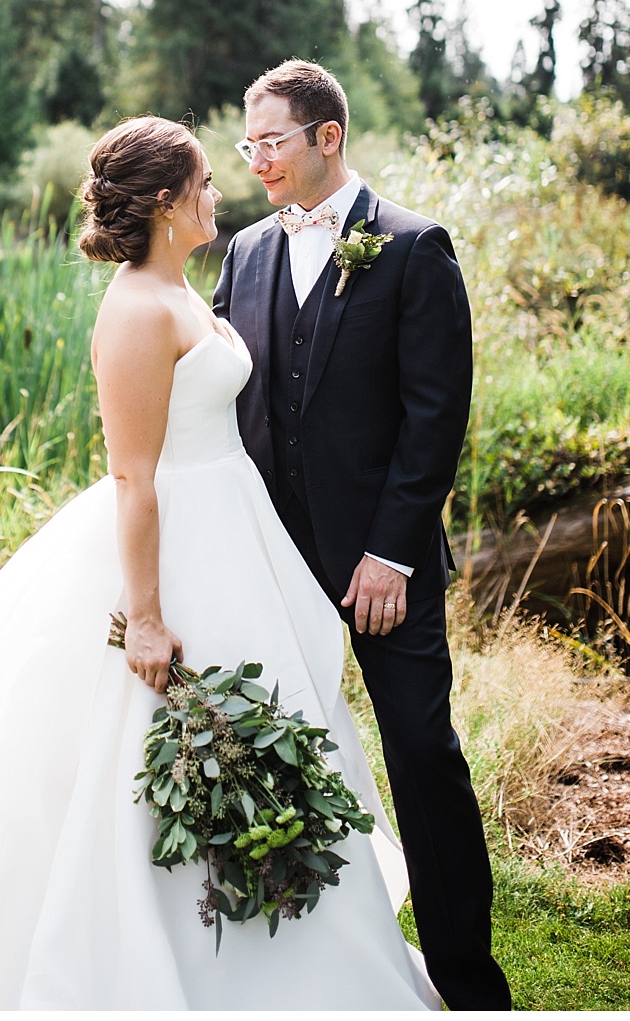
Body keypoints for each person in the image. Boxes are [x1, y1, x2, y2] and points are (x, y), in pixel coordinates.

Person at [0, 115, 440, 1012]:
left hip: (235, 541)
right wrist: (142, 614)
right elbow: (133, 477)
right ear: (168, 201)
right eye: (206, 181)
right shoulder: (138, 308)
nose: (220, 192)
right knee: (145, 756)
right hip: (172, 553)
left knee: (263, 736)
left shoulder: (185, 292)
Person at [213, 60, 512, 1011]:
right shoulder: (246, 251)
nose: (255, 158)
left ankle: (467, 979)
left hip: (385, 564)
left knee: (422, 753)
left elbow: (436, 416)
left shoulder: (416, 248)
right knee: (266, 753)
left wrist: (389, 551)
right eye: (247, 143)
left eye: (270, 141)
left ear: (326, 137)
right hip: (270, 560)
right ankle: (288, 970)